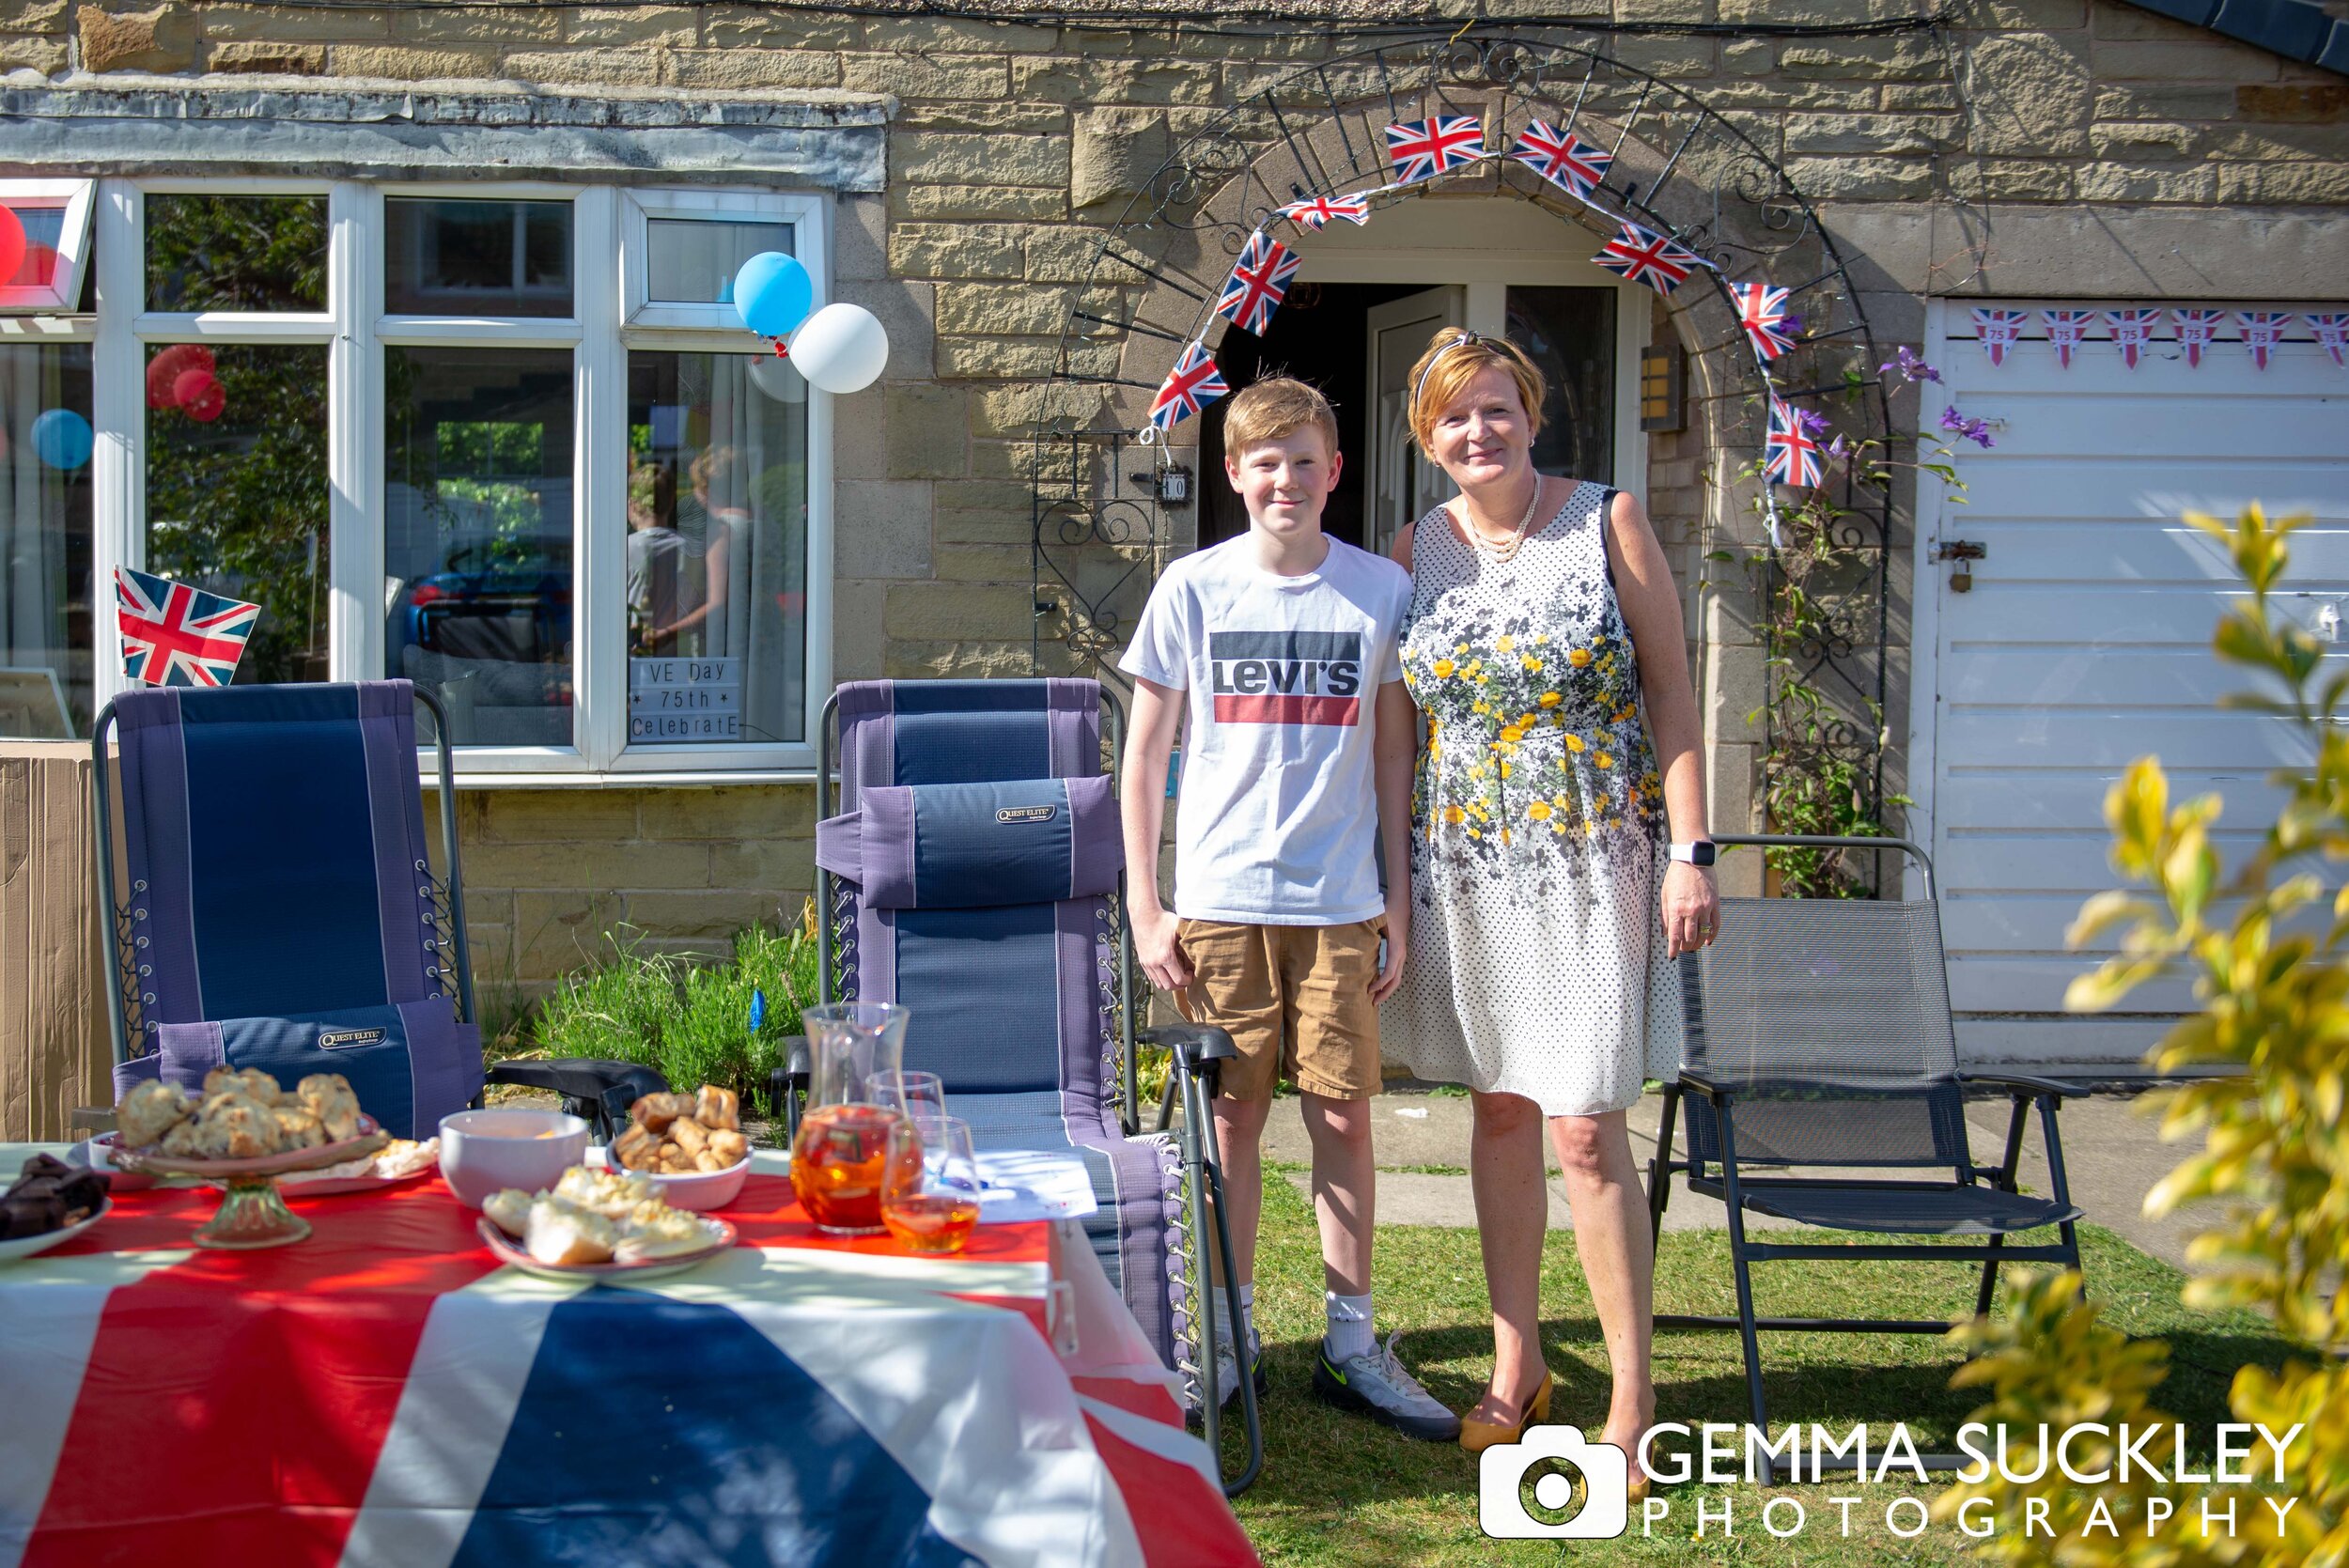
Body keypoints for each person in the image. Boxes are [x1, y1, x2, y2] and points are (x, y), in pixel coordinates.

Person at [1378, 329, 1719, 1480]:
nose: (1479, 432)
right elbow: (1396, 742)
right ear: (1426, 438)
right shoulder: (1408, 550)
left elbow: (1672, 693)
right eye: (1453, 418)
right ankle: (1515, 1359)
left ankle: (1632, 1394)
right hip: (1465, 866)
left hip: (1594, 860)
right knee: (1500, 1111)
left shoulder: (1605, 519)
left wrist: (1692, 850)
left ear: (1530, 414)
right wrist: (1392, 890)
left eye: (1497, 410)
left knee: (1584, 1124)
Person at [1120, 376, 1457, 1440]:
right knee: (1229, 1125)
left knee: (1345, 1114)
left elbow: (1396, 757)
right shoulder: (1191, 587)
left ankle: (1350, 1344)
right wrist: (1146, 902)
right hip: (1219, 902)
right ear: (1232, 474)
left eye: (1304, 461)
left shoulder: (1379, 593)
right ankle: (1229, 1337)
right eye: (1264, 463)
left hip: (1338, 902)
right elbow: (1142, 759)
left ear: (1334, 472)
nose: (1285, 481)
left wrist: (1399, 902)